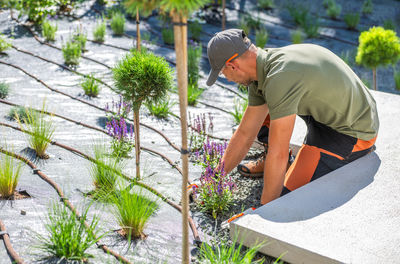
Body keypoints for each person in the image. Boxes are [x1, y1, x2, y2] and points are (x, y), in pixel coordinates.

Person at [206, 29, 379, 205]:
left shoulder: (280, 78)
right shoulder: (263, 70)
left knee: (285, 199)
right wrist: (211, 180)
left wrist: (264, 211)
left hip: (352, 132)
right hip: (327, 114)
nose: (226, 79)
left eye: (221, 73)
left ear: (232, 65)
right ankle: (272, 165)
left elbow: (278, 152)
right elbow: (244, 134)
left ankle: (285, 170)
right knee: (263, 116)